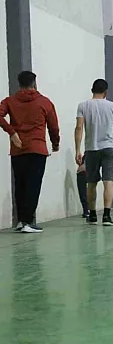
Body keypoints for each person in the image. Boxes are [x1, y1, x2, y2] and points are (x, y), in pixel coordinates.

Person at [0, 71, 60, 233]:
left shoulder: (10, 101)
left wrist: (12, 132)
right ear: (35, 83)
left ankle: (21, 221)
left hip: (18, 150)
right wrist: (55, 143)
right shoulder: (44, 102)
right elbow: (53, 126)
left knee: (20, 184)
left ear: (19, 84)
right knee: (33, 185)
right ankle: (28, 221)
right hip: (37, 149)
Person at [74, 79, 113, 226]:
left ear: (92, 90)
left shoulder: (83, 106)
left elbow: (79, 128)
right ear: (106, 92)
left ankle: (93, 214)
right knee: (108, 182)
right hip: (109, 147)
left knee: (91, 183)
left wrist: (78, 149)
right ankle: (107, 216)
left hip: (91, 149)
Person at [76, 118, 113, 217]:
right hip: (96, 152)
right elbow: (91, 145)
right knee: (82, 173)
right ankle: (87, 210)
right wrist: (85, 163)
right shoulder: (102, 129)